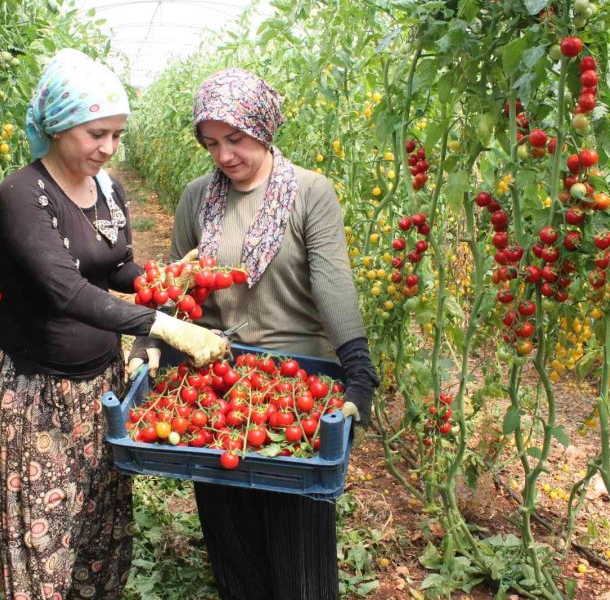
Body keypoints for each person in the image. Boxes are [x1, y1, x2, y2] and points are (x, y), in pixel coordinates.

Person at [0, 49, 228, 600]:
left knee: (98, 511)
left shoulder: (109, 188)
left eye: (117, 135)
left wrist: (164, 278)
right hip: (36, 386)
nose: (109, 148)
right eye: (97, 134)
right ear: (59, 126)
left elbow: (116, 267)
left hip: (100, 379)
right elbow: (67, 290)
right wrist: (162, 324)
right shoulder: (23, 195)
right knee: (48, 523)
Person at [132, 68, 380, 600]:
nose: (224, 155)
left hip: (297, 381)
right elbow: (174, 286)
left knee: (297, 532)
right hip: (218, 376)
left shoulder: (311, 193)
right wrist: (147, 343)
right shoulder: (197, 199)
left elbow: (333, 285)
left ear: (264, 129)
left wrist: (358, 370)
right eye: (212, 143)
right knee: (229, 526)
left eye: (236, 139)